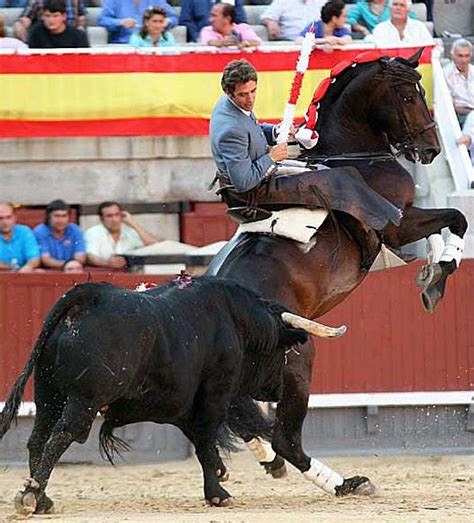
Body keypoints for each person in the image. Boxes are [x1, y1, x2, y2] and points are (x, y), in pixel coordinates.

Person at [210, 60, 401, 236]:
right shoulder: (230, 129)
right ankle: (386, 223)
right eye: (243, 94)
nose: (250, 99)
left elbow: (251, 131)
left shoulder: (230, 106)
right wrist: (271, 157)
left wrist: (276, 131)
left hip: (261, 173)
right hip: (253, 192)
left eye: (253, 91)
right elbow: (244, 182)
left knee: (333, 171)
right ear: (229, 93)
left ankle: (385, 214)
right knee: (336, 180)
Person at [85, 201, 158, 269]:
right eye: (109, 216)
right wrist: (108, 263)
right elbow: (90, 256)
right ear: (101, 219)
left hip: (130, 275)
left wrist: (133, 223)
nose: (114, 219)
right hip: (103, 275)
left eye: (117, 215)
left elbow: (154, 244)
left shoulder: (129, 232)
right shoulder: (94, 232)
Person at [33, 199, 86, 269]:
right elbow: (45, 260)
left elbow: (80, 257)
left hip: (72, 271)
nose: (61, 220)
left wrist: (69, 266)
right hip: (48, 272)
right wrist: (68, 265)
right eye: (57, 216)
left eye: (64, 216)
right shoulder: (40, 231)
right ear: (48, 217)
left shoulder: (75, 230)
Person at [98, 0, 177, 45]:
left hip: (152, 45)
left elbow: (174, 18)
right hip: (123, 44)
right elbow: (102, 20)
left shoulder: (157, 1)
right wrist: (120, 22)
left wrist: (167, 21)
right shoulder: (114, 1)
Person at [13, 0, 86, 43]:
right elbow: (26, 17)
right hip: (43, 34)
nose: (52, 19)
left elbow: (81, 16)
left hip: (70, 34)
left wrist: (80, 27)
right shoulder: (38, 1)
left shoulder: (75, 1)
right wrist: (21, 25)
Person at [179, 0, 247, 43]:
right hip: (201, 43)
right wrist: (199, 38)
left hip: (231, 42)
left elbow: (240, 20)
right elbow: (186, 21)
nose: (210, 19)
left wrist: (235, 39)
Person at [0, 203, 40, 272]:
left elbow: (34, 258)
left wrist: (29, 267)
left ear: (15, 218)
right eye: (0, 218)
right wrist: (14, 268)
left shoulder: (24, 231)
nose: (5, 222)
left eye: (8, 217)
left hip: (23, 275)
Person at [261, 0, 326, 41]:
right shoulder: (282, 1)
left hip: (318, 42)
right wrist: (271, 22)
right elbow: (266, 17)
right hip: (290, 42)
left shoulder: (322, 2)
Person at [443, 39, 474, 127]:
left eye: (467, 56)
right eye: (460, 56)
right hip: (461, 116)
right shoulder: (445, 74)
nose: (464, 60)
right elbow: (450, 106)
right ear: (452, 55)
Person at [347, 0, 415, 37]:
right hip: (375, 38)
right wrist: (362, 29)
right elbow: (348, 19)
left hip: (396, 36)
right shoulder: (362, 5)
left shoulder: (394, 3)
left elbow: (411, 16)